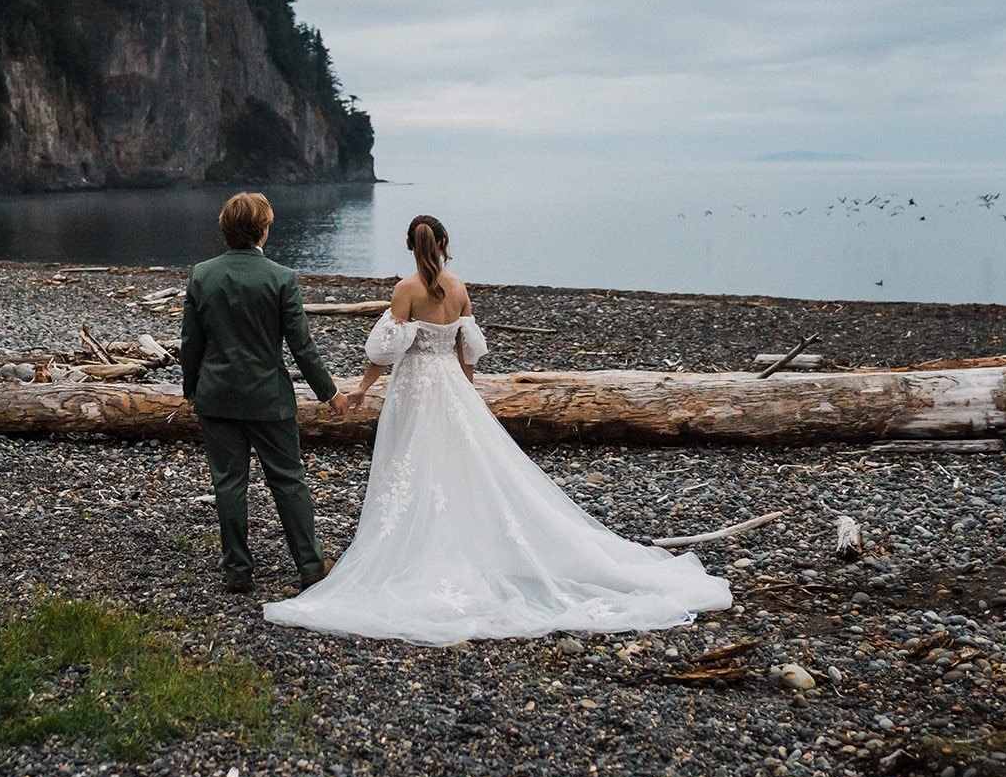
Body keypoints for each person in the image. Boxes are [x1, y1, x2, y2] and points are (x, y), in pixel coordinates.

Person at [263, 214, 732, 644]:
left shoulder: (405, 289)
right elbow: (466, 352)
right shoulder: (460, 287)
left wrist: (361, 390)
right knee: (461, 463)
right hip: (449, 384)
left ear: (409, 245)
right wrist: (469, 394)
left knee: (412, 463)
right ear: (445, 243)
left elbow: (388, 352)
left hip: (415, 390)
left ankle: (420, 547)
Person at [181, 191, 350, 594]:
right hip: (268, 400)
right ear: (264, 229)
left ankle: (238, 570)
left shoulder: (202, 275)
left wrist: (192, 390)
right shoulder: (281, 278)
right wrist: (330, 394)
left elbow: (191, 342)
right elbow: (301, 346)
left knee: (228, 484)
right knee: (289, 481)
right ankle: (310, 565)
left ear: (226, 229)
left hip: (217, 397)